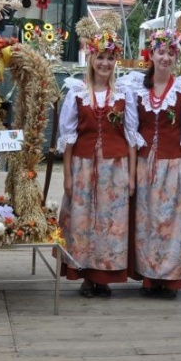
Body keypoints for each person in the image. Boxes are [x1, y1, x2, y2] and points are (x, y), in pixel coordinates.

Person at [125, 28, 181, 299]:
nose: (165, 58)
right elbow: (132, 134)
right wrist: (132, 173)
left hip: (174, 166)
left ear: (176, 57)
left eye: (171, 53)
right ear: (151, 54)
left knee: (173, 222)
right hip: (145, 165)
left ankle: (169, 279)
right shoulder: (137, 88)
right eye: (161, 52)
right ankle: (149, 277)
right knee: (146, 221)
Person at [57, 28, 135, 298]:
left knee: (110, 221)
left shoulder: (124, 94)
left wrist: (131, 176)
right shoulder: (77, 93)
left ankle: (104, 276)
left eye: (110, 58)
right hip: (83, 166)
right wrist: (67, 175)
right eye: (100, 57)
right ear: (91, 59)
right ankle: (86, 276)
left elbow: (131, 136)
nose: (105, 63)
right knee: (82, 220)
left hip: (114, 167)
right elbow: (68, 138)